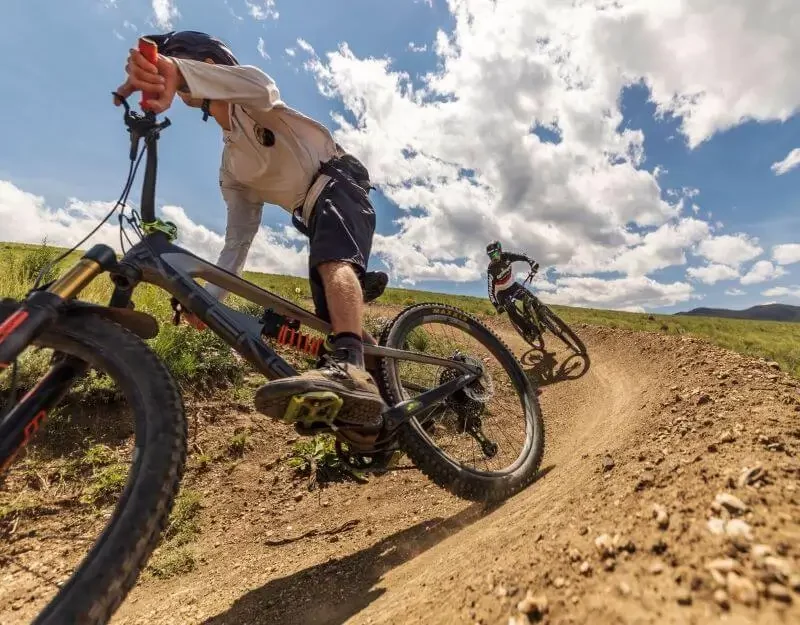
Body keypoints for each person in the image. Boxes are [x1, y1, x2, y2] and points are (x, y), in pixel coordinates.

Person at [114, 31, 384, 437]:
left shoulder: (252, 97)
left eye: (185, 67)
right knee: (333, 322)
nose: (182, 87)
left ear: (208, 65)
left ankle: (350, 367)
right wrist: (206, 300)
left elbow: (260, 85)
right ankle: (379, 408)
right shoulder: (232, 169)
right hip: (310, 213)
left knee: (332, 262)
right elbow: (237, 241)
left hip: (339, 186)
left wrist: (175, 69)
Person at [486, 241, 538, 324]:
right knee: (511, 310)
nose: (494, 258)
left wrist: (532, 262)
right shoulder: (491, 269)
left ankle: (541, 318)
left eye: (495, 254)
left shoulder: (507, 256)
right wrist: (497, 306)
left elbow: (523, 257)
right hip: (500, 293)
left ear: (500, 251)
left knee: (532, 299)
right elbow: (490, 290)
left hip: (512, 285)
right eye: (491, 256)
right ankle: (527, 331)